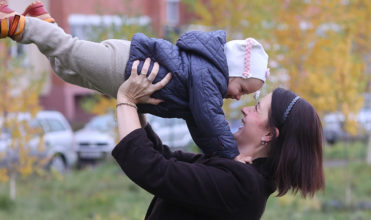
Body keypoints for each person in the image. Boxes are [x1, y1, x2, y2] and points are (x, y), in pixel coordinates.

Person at [0, 1, 270, 160]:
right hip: (125, 64)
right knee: (69, 52)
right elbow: (211, 120)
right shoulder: (208, 75)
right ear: (232, 70)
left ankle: (44, 22)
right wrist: (233, 156)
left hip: (124, 71)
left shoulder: (203, 84)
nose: (237, 97)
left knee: (66, 70)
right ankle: (17, 24)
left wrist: (218, 155)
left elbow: (201, 128)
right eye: (242, 89)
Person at [113, 60, 325, 219]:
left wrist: (126, 100)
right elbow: (166, 159)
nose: (245, 109)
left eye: (257, 109)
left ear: (269, 134)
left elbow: (153, 170)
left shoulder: (243, 187)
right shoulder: (238, 167)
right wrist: (137, 104)